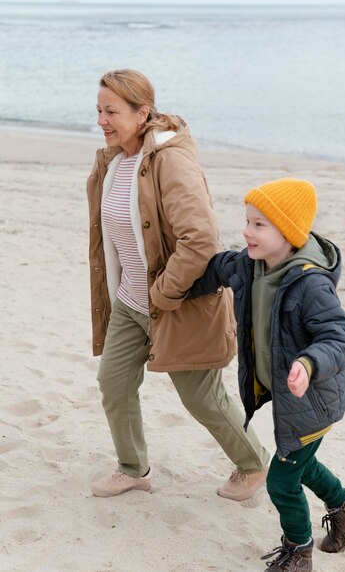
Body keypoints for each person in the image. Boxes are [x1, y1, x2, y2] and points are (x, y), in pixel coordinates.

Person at [86, 68, 270, 500]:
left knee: (202, 398)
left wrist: (164, 292)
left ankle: (253, 463)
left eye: (111, 111)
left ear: (142, 111)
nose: (101, 120)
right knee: (113, 384)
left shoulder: (170, 160)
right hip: (131, 302)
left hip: (177, 304)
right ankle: (132, 467)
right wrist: (131, 295)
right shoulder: (115, 160)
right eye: (98, 110)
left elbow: (200, 239)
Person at [189, 178, 345, 571]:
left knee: (282, 480)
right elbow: (216, 269)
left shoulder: (311, 284)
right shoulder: (248, 264)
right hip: (286, 393)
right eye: (247, 221)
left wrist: (308, 364)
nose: (246, 231)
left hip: (313, 399)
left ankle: (298, 550)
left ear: (288, 233)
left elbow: (338, 339)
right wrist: (179, 289)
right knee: (302, 464)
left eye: (259, 225)